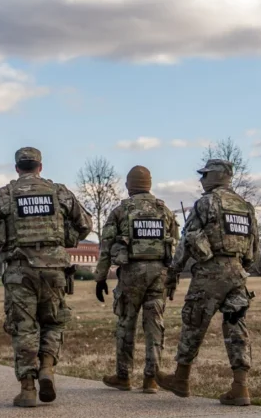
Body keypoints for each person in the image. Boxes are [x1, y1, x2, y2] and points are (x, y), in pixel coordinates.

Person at [0, 147, 92, 408]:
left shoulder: (5, 194)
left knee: (23, 327)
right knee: (53, 322)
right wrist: (64, 238)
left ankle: (28, 388)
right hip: (54, 270)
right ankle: (47, 366)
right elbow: (85, 224)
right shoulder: (59, 192)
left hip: (20, 269)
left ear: (17, 168)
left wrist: (3, 238)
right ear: (40, 166)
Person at [156, 159, 260, 407]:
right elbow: (254, 246)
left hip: (210, 274)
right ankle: (240, 387)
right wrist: (241, 269)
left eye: (204, 175)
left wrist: (174, 272)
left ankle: (181, 379)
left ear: (214, 176)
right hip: (237, 273)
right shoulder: (245, 206)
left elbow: (187, 240)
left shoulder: (206, 202)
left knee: (193, 323)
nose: (201, 179)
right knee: (237, 328)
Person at [95, 165, 180, 393]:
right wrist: (173, 278)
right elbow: (176, 247)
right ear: (149, 184)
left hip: (131, 273)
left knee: (126, 323)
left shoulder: (122, 211)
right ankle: (151, 379)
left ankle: (123, 376)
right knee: (155, 325)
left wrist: (100, 277)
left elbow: (106, 246)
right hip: (159, 274)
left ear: (128, 185)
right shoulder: (165, 210)